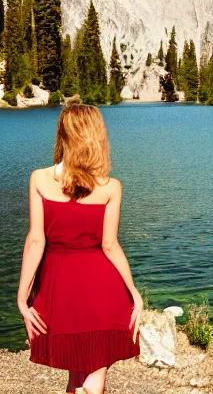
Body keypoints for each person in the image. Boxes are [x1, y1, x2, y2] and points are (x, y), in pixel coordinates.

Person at [17, 95, 143, 394]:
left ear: (63, 134)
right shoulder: (110, 187)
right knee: (94, 373)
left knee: (77, 372)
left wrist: (23, 298)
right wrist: (134, 293)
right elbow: (110, 246)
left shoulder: (39, 179)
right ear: (96, 137)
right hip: (103, 288)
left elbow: (36, 240)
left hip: (58, 288)